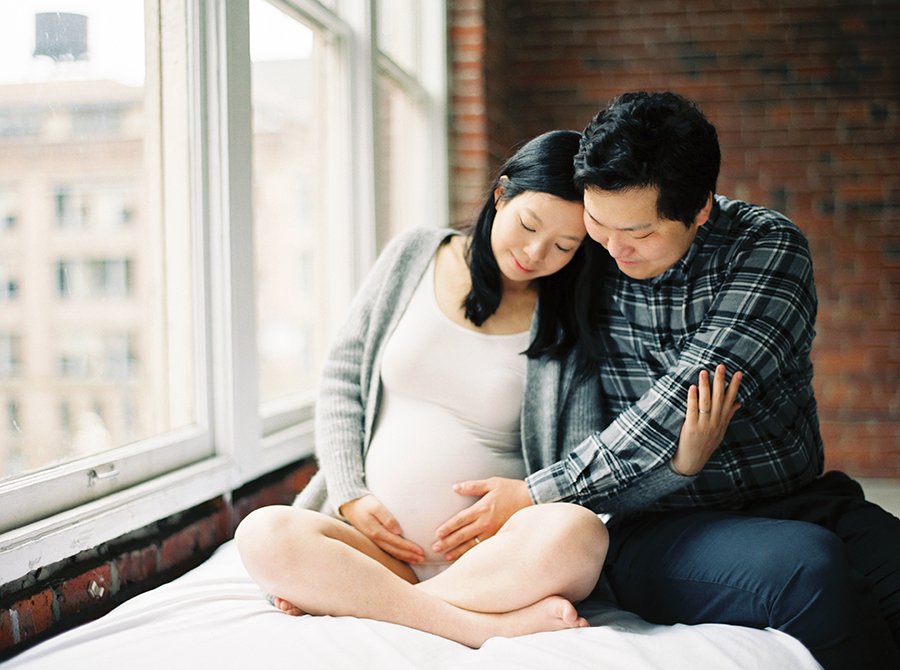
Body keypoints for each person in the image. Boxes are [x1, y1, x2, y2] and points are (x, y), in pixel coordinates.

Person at [235, 129, 740, 649]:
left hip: (494, 564)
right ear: (501, 193)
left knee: (579, 532)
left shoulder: (569, 323)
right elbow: (341, 380)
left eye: (564, 246)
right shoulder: (414, 255)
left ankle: (367, 601)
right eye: (527, 225)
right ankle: (472, 626)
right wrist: (348, 496)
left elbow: (588, 475)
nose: (535, 252)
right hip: (372, 546)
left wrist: (682, 466)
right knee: (263, 532)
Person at [526, 91, 897, 670]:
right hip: (659, 524)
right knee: (809, 568)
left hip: (799, 498)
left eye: (641, 233)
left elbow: (687, 394)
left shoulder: (767, 247)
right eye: (599, 222)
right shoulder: (582, 252)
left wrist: (532, 493)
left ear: (700, 209)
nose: (614, 247)